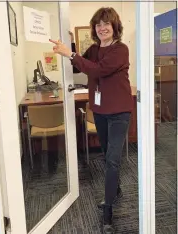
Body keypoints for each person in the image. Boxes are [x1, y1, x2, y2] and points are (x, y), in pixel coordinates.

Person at [49, 7, 133, 234]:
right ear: (94, 29)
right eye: (98, 25)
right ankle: (115, 190)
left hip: (119, 112)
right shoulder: (95, 48)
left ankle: (107, 213)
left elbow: (97, 70)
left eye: (106, 24)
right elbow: (80, 65)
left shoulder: (120, 49)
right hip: (100, 110)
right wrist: (69, 48)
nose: (102, 28)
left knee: (113, 160)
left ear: (115, 26)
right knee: (108, 155)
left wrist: (71, 54)